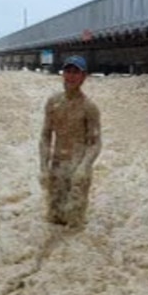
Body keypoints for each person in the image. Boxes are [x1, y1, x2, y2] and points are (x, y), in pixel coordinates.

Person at [39, 55, 102, 226]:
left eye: (76, 72)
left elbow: (95, 143)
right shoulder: (53, 103)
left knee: (73, 224)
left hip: (78, 171)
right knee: (53, 220)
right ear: (63, 74)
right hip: (57, 168)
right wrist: (43, 167)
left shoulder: (89, 107)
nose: (71, 76)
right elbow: (45, 136)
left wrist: (84, 167)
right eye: (68, 71)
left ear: (84, 77)